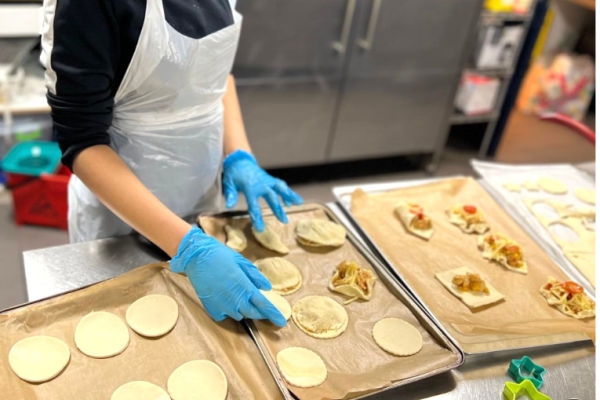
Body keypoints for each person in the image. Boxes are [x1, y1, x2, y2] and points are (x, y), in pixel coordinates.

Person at [40, 0, 302, 326]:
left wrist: (239, 154)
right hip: (123, 219)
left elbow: (215, 75)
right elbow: (82, 140)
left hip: (202, 197)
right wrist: (189, 247)